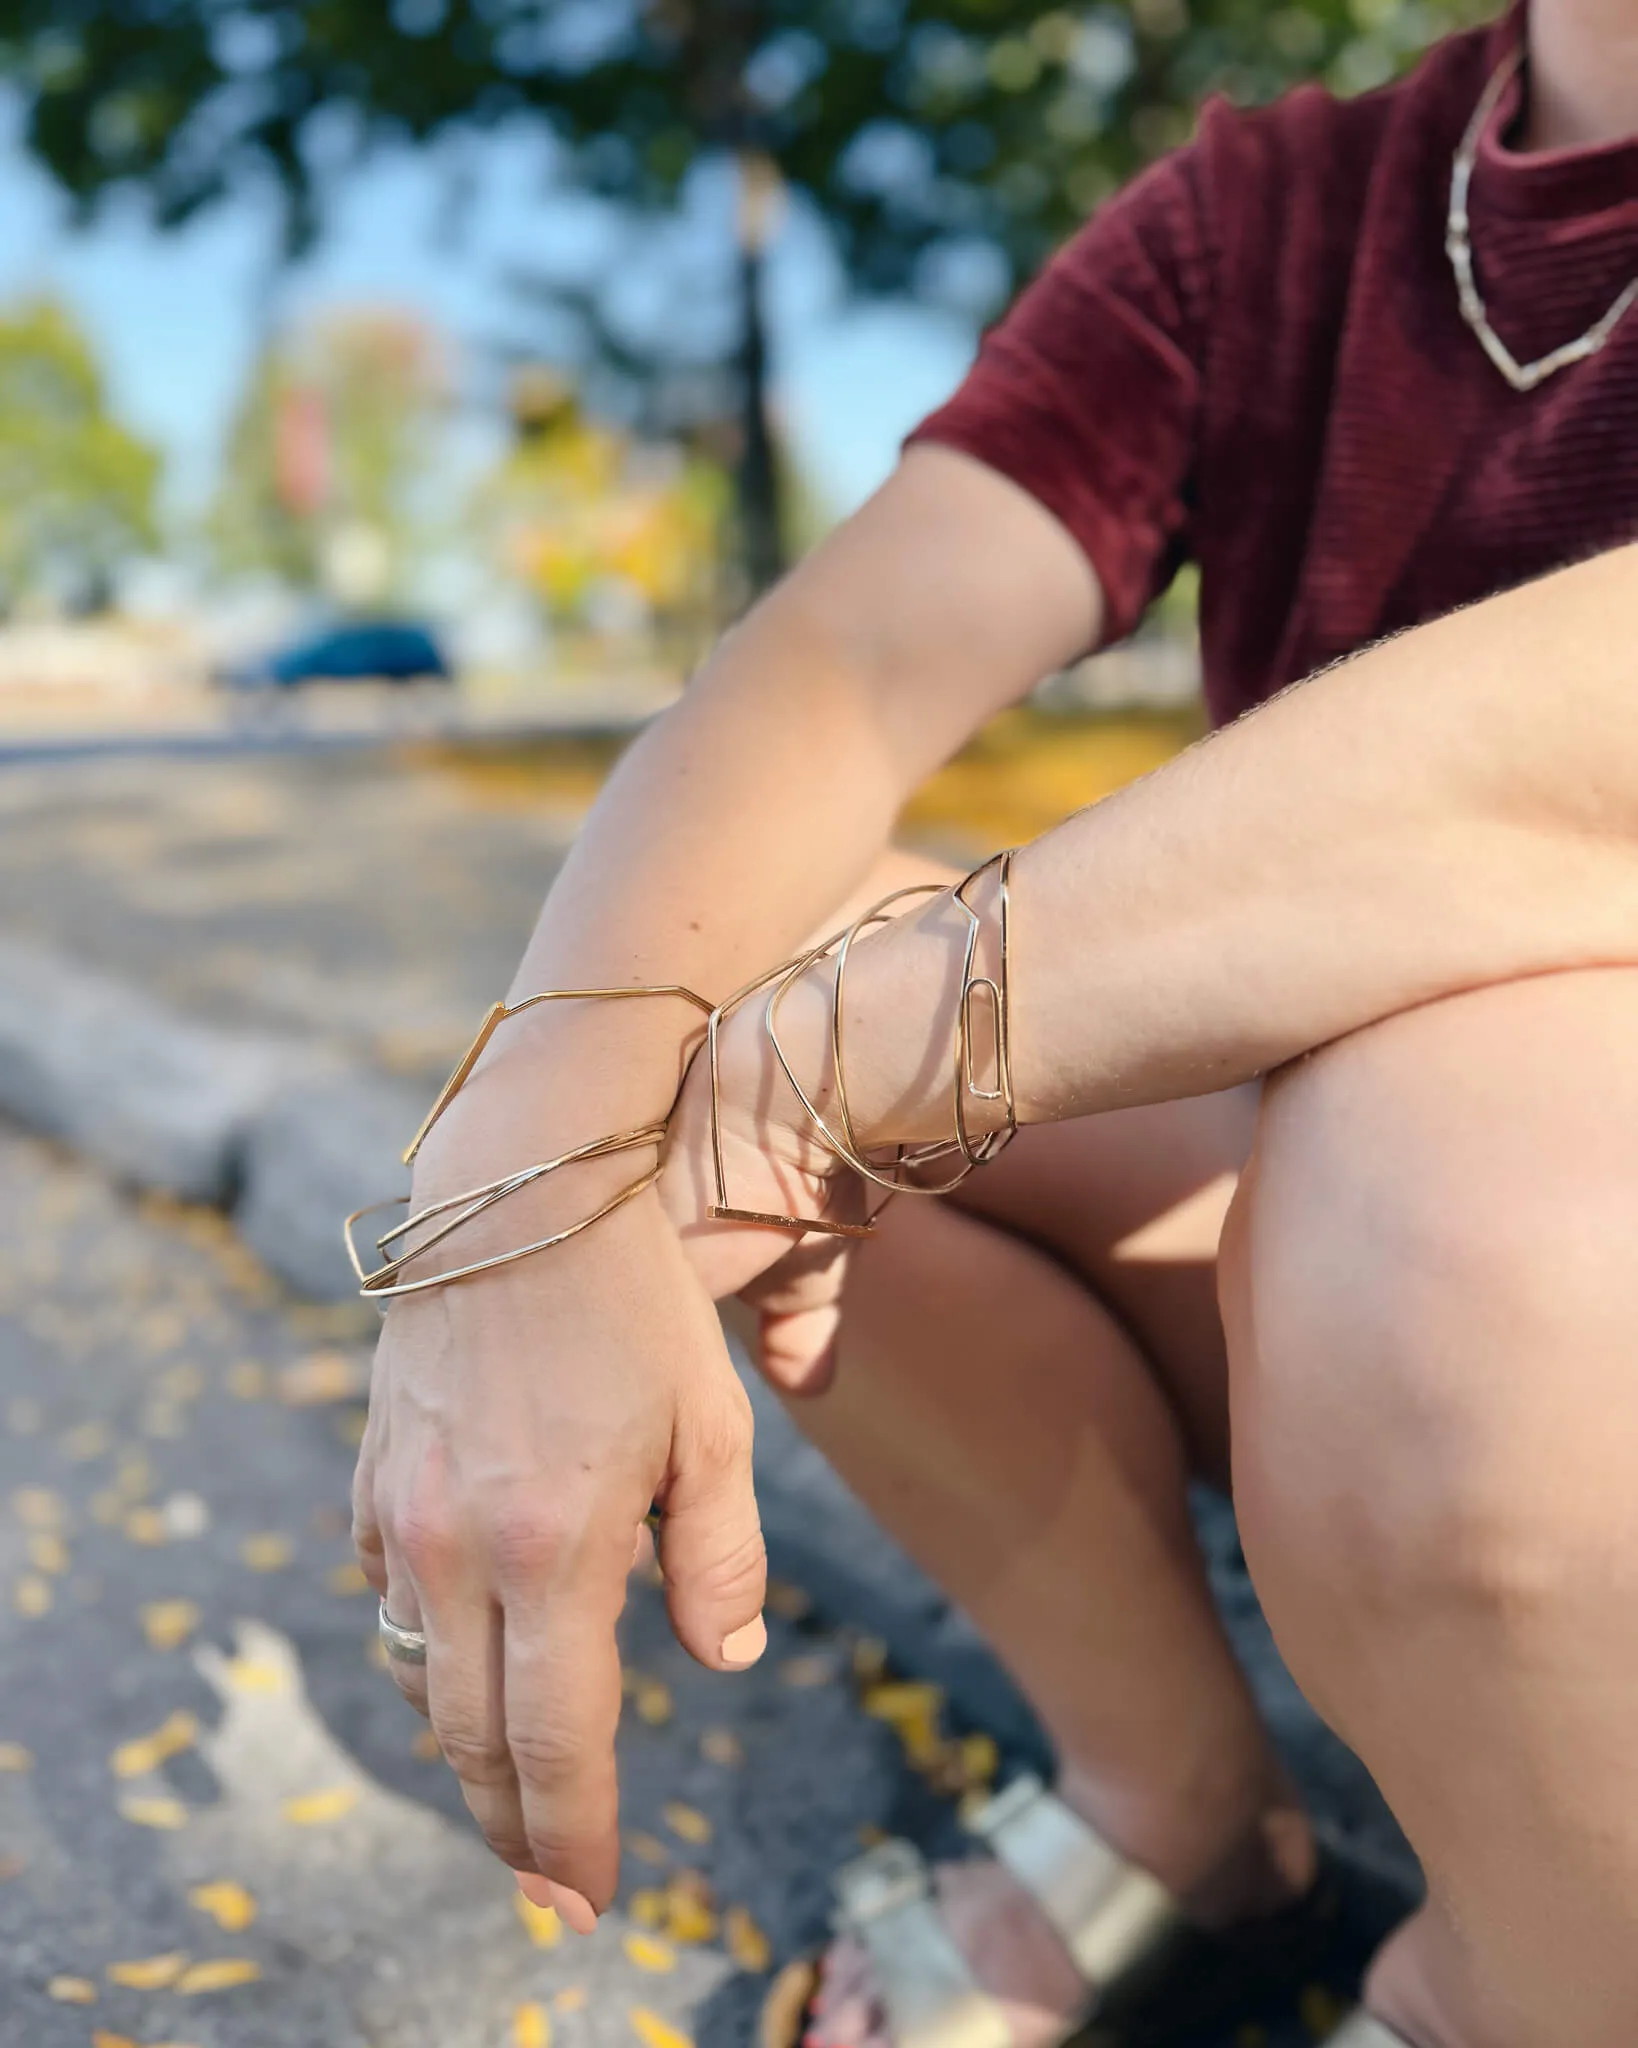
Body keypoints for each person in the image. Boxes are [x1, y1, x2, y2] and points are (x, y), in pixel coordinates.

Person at [349, 2, 1638, 2041]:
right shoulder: (1269, 216)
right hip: (1384, 1279)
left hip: (1519, 1258)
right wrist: (525, 1167)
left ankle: (1518, 1984)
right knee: (714, 976)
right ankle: (1172, 1799)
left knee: (1455, 1177)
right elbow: (843, 663)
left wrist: (874, 1052)